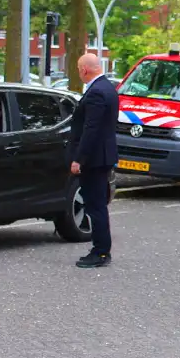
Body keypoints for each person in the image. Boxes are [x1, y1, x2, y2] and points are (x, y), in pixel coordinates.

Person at [70, 54, 119, 268]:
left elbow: (91, 129)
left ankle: (101, 252)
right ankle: (100, 250)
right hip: (104, 155)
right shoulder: (108, 88)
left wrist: (79, 159)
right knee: (97, 204)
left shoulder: (96, 92)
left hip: (94, 158)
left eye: (78, 69)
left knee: (95, 206)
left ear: (84, 70)